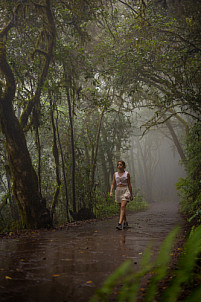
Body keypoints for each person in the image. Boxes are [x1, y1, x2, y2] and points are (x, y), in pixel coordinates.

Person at [110, 160, 133, 230]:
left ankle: (119, 224)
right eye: (118, 165)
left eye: (121, 165)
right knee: (121, 208)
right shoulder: (115, 174)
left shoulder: (127, 174)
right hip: (118, 191)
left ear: (124, 166)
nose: (119, 166)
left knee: (123, 206)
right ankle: (125, 222)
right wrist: (111, 191)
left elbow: (129, 184)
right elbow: (113, 183)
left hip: (125, 190)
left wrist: (131, 194)